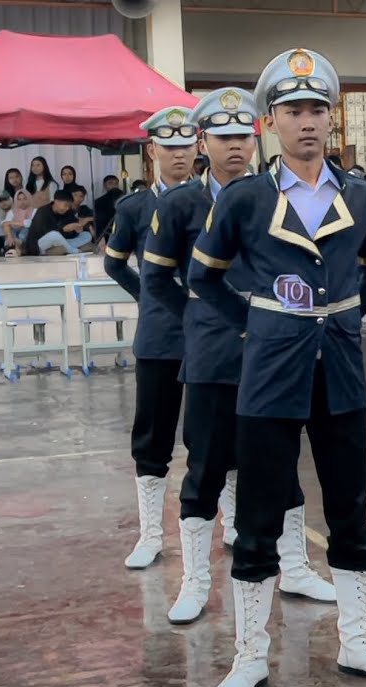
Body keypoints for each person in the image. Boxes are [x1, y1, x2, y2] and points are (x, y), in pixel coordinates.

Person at [190, 48, 366, 687]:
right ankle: (250, 654)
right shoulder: (244, 199)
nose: (308, 122)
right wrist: (257, 322)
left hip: (341, 371)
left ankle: (358, 639)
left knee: (349, 508)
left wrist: (340, 319)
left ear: (331, 118)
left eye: (318, 109)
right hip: (267, 375)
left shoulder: (363, 197)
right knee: (259, 513)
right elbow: (205, 278)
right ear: (270, 122)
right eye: (294, 111)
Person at [141, 87, 336, 626]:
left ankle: (294, 567)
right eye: (223, 137)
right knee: (204, 468)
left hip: (275, 354)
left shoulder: (274, 193)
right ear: (204, 140)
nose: (235, 147)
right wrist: (197, 319)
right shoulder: (182, 201)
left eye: (242, 136)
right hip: (212, 353)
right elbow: (156, 277)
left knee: (284, 470)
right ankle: (196, 581)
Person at [105, 104, 198, 570]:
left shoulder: (219, 202)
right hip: (161, 336)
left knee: (216, 437)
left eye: (186, 144)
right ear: (152, 150)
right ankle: (150, 535)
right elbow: (114, 261)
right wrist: (149, 296)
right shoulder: (136, 207)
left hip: (209, 336)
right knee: (153, 437)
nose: (178, 154)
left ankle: (233, 526)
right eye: (170, 145)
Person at [26, 188, 91, 255]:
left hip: (61, 242)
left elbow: (72, 229)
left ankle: (65, 248)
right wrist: (64, 229)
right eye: (65, 205)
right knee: (54, 235)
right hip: (39, 245)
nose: (67, 208)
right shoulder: (43, 212)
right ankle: (72, 250)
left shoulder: (68, 212)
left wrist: (77, 229)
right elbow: (47, 234)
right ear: (56, 201)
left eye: (69, 206)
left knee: (86, 235)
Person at [2, 189, 34, 254]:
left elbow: (29, 223)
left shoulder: (34, 210)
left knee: (25, 229)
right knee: (10, 231)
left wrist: (11, 223)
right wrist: (9, 236)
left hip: (28, 236)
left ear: (29, 199)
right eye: (19, 199)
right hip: (15, 235)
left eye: (25, 199)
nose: (22, 202)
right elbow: (4, 224)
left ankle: (18, 245)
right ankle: (14, 246)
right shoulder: (12, 212)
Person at [94, 175, 124, 243]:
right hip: (108, 232)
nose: (114, 186)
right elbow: (99, 222)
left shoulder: (125, 198)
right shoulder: (99, 202)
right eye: (110, 183)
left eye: (116, 184)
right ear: (105, 186)